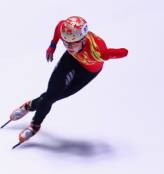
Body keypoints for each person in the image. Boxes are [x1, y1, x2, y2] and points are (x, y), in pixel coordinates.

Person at [7, 16, 128, 144]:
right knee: (51, 94)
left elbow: (122, 52)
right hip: (70, 61)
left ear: (83, 39)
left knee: (54, 96)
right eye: (66, 42)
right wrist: (53, 45)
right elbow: (59, 26)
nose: (69, 46)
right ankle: (35, 125)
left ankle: (30, 105)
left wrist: (112, 54)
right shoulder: (67, 31)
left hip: (88, 72)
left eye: (73, 43)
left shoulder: (97, 50)